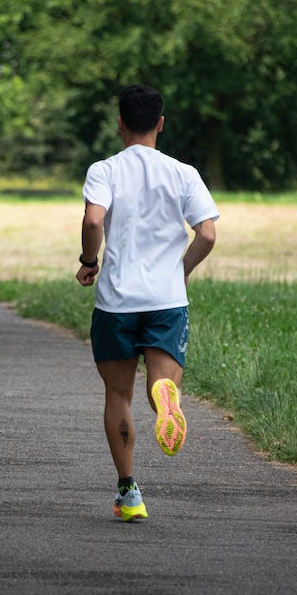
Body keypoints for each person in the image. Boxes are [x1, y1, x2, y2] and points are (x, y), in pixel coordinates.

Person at [76, 84, 218, 522]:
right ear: (160, 123)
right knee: (162, 383)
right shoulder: (183, 172)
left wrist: (88, 260)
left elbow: (94, 218)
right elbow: (208, 233)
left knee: (118, 394)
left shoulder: (105, 170)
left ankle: (129, 492)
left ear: (119, 123)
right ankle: (164, 395)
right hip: (165, 299)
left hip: (117, 301)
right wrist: (182, 269)